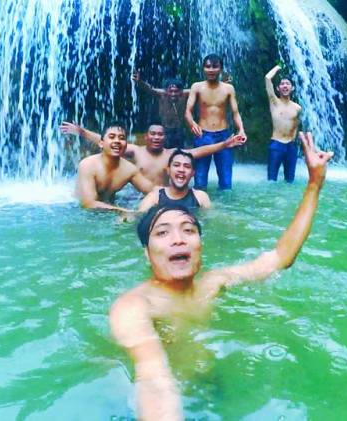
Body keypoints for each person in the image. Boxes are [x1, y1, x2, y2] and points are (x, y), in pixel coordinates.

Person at [109, 132, 334, 420]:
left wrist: (314, 185)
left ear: (200, 246)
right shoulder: (134, 306)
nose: (178, 239)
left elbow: (279, 258)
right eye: (163, 233)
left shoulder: (212, 283)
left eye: (188, 230)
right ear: (147, 254)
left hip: (209, 390)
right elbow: (153, 377)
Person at [61, 121, 245, 187]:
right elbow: (109, 143)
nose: (157, 137)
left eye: (160, 134)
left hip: (163, 196)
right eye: (153, 134)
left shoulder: (172, 154)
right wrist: (82, 132)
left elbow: (198, 152)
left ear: (165, 137)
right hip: (137, 198)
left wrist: (225, 144)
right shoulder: (135, 150)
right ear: (147, 137)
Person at [185, 54, 246, 190]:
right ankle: (200, 201)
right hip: (202, 135)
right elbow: (187, 111)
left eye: (215, 66)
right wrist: (192, 123)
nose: (211, 70)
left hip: (224, 135)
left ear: (221, 69)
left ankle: (226, 203)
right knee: (200, 179)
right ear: (203, 68)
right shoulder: (197, 87)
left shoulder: (228, 88)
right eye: (208, 67)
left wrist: (241, 129)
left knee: (226, 180)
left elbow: (235, 112)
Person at [75, 123, 154, 212]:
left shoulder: (130, 170)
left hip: (110, 208)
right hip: (78, 210)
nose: (117, 141)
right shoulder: (87, 165)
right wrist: (124, 211)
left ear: (126, 144)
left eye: (122, 138)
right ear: (101, 143)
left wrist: (142, 210)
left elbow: (153, 191)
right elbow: (88, 203)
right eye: (112, 137)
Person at [138, 149, 210, 212]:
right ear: (168, 170)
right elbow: (139, 217)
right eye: (176, 165)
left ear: (193, 173)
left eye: (187, 166)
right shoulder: (154, 198)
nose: (181, 170)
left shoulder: (200, 197)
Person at [132, 73, 190, 149]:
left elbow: (196, 89)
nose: (173, 94)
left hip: (179, 129)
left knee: (179, 150)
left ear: (180, 91)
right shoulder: (162, 94)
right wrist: (140, 81)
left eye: (176, 91)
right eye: (171, 91)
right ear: (166, 91)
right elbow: (150, 89)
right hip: (164, 129)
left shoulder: (184, 94)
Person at [265, 64, 302, 182]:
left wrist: (293, 140)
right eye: (282, 84)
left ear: (292, 88)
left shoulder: (297, 108)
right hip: (276, 144)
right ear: (278, 88)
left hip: (291, 146)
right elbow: (267, 78)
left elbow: (296, 125)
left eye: (288, 84)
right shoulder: (274, 102)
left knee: (290, 180)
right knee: (271, 180)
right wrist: (278, 66)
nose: (285, 86)